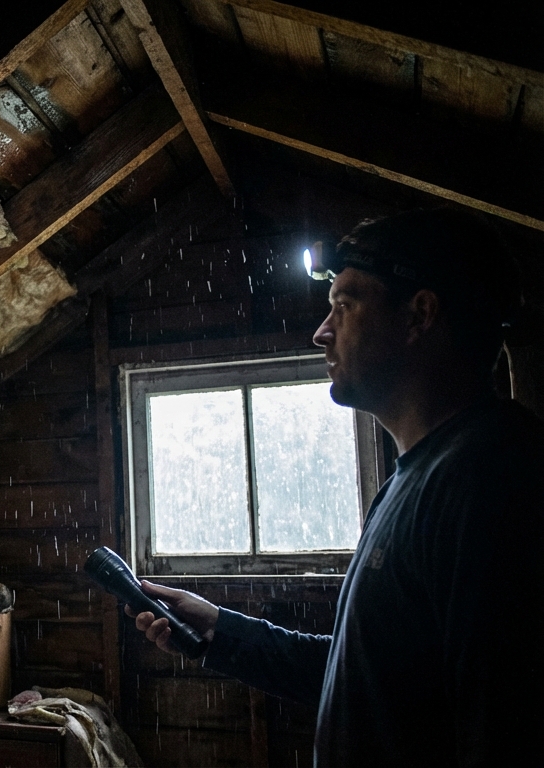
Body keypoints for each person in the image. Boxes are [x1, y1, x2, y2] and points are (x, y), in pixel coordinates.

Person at [125, 208, 542, 766]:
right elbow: (362, 676)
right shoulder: (416, 478)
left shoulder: (493, 479)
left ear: (419, 315)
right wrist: (220, 631)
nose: (322, 332)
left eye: (343, 307)